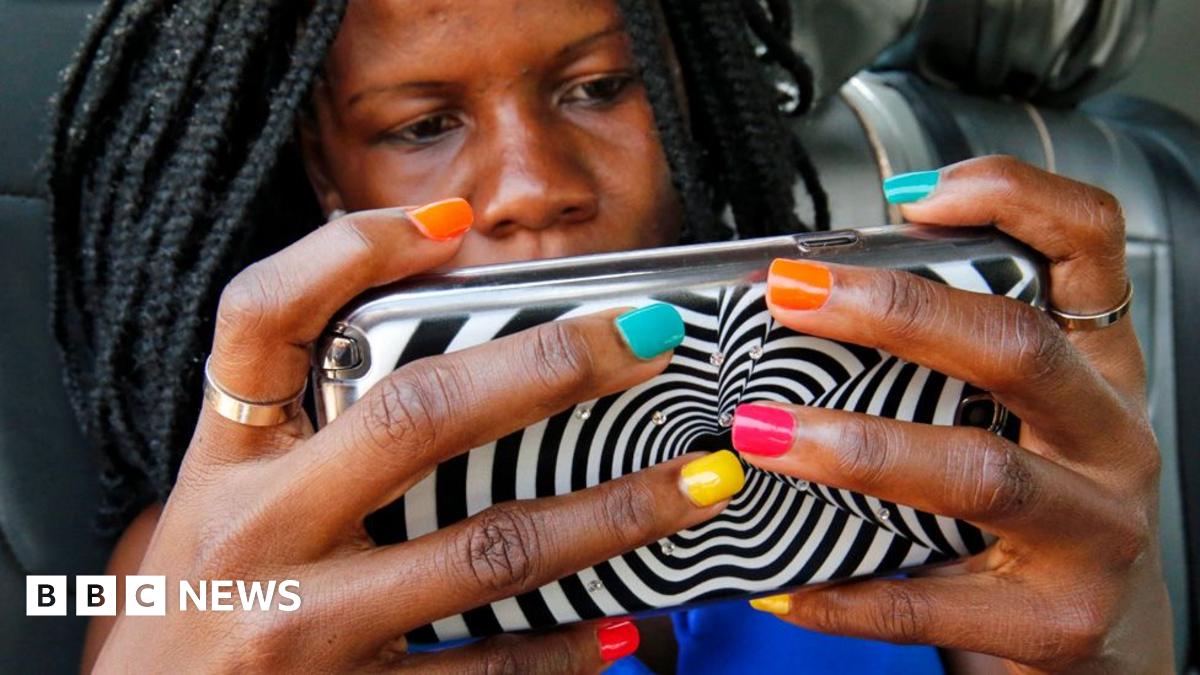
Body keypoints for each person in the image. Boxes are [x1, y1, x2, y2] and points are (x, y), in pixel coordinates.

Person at [47, 0, 1171, 672]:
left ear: (687, 93)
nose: (535, 187)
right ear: (324, 171)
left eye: (597, 87)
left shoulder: (913, 435)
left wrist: (1114, 614)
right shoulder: (212, 556)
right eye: (423, 125)